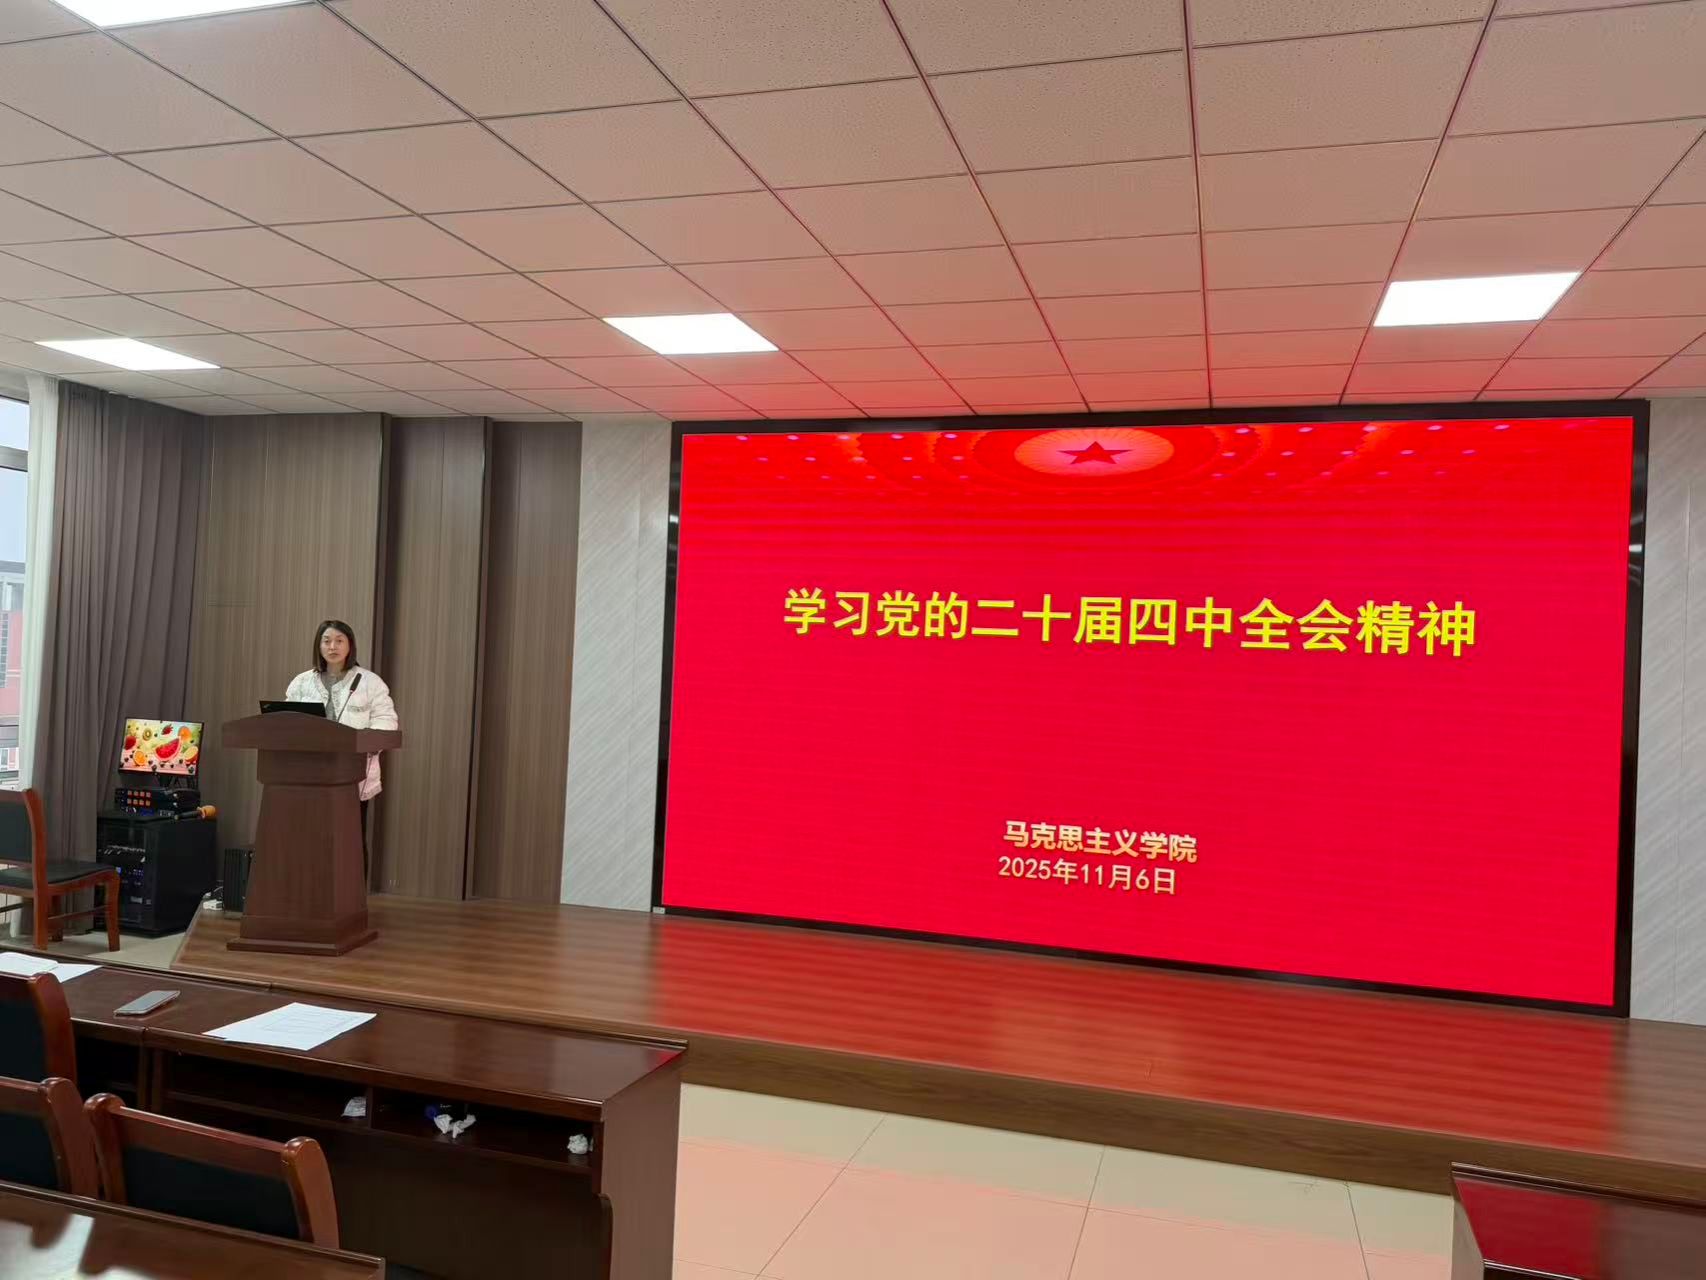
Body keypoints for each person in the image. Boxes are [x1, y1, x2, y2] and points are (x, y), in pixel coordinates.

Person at [285, 620, 398, 871]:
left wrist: (365, 742)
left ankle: (353, 891)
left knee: (350, 840)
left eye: (339, 641)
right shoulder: (302, 683)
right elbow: (287, 721)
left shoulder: (370, 683)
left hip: (352, 776)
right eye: (326, 641)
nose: (332, 647)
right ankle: (311, 887)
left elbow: (387, 722)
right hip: (308, 775)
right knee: (309, 838)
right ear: (319, 645)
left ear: (350, 646)